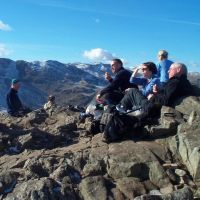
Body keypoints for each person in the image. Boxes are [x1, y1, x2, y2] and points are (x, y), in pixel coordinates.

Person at [119, 63, 193, 118]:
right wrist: (157, 92)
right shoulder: (183, 82)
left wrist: (154, 96)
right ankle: (122, 108)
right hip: (154, 105)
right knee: (132, 91)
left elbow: (165, 101)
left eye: (170, 69)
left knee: (132, 90)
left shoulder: (175, 82)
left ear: (178, 70)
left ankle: (121, 108)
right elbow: (167, 95)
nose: (168, 71)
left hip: (152, 108)